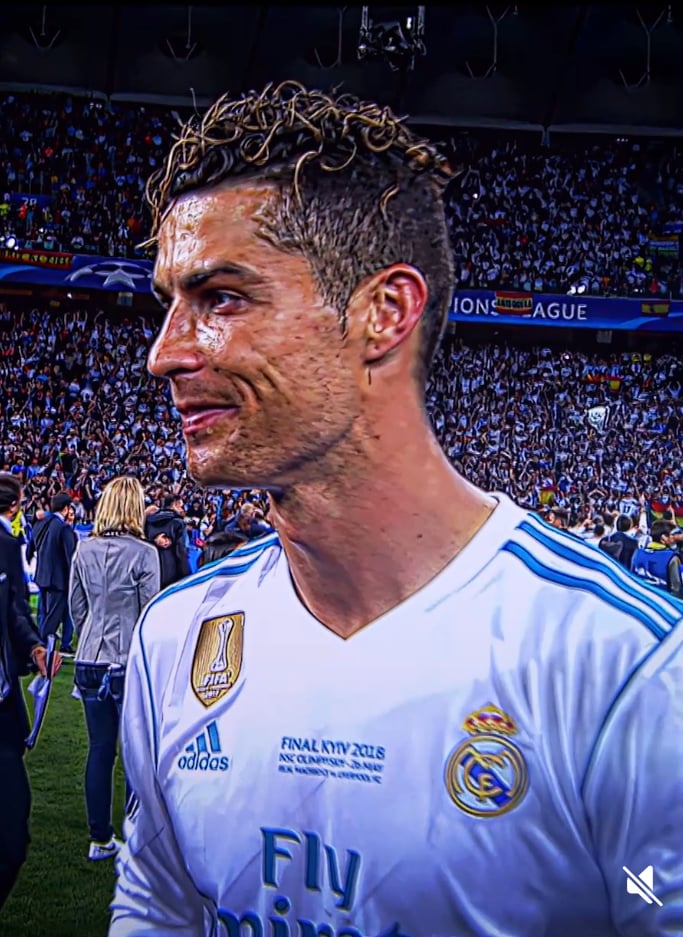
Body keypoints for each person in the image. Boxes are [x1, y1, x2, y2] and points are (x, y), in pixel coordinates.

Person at [110, 81, 683, 936]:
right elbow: (158, 903)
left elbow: (649, 900)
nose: (163, 354)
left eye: (220, 298)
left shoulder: (621, 667)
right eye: (169, 304)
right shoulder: (177, 635)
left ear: (382, 313)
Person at [68, 476, 160, 861]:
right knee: (135, 753)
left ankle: (99, 837)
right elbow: (150, 612)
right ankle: (133, 837)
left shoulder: (84, 548)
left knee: (100, 749)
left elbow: (77, 607)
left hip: (89, 658)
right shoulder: (144, 553)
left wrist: (90, 635)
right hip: (126, 660)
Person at [0, 472, 61, 909]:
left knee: (11, 837)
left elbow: (14, 611)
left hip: (2, 711)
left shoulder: (6, 546)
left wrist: (34, 647)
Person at [27, 491, 77, 645]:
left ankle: (41, 644)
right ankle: (41, 647)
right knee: (52, 619)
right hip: (58, 580)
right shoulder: (63, 528)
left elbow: (30, 548)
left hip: (42, 576)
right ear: (66, 508)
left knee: (44, 615)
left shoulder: (40, 523)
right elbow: (71, 558)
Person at [143, 493, 190, 589]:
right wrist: (187, 576)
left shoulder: (149, 522)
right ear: (175, 504)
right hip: (173, 574)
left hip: (152, 572)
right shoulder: (178, 523)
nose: (182, 510)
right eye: (181, 506)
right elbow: (181, 552)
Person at [631, 519, 683, 596]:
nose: (674, 538)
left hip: (640, 598)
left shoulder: (638, 553)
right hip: (661, 601)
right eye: (672, 535)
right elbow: (676, 589)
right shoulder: (672, 558)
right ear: (663, 538)